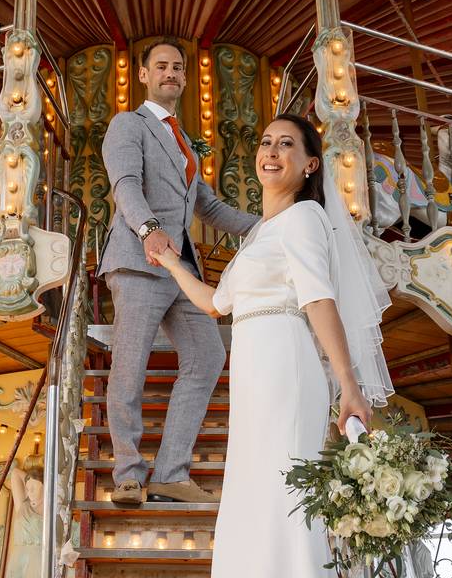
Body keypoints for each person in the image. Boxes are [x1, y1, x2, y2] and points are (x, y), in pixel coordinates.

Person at [152, 114, 394, 575]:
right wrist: (171, 261)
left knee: (283, 491)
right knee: (253, 487)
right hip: (253, 368)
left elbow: (319, 298)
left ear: (309, 164)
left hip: (285, 361)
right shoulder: (260, 234)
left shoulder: (305, 217)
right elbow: (215, 303)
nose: (271, 151)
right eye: (266, 142)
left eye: (286, 144)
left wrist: (348, 384)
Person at [98, 37, 259, 505]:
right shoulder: (128, 124)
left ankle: (170, 472)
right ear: (144, 75)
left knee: (207, 357)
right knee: (130, 367)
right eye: (161, 66)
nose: (171, 73)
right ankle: (128, 473)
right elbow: (125, 184)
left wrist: (269, 224)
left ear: (185, 78)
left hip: (179, 267)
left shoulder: (183, 139)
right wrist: (149, 230)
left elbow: (206, 205)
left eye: (178, 67)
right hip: (139, 260)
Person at [5, 455, 43, 578]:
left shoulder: (48, 508)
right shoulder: (23, 506)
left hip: (37, 559)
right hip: (18, 558)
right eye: (27, 488)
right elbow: (15, 473)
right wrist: (32, 477)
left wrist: (41, 478)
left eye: (33, 488)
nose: (29, 491)